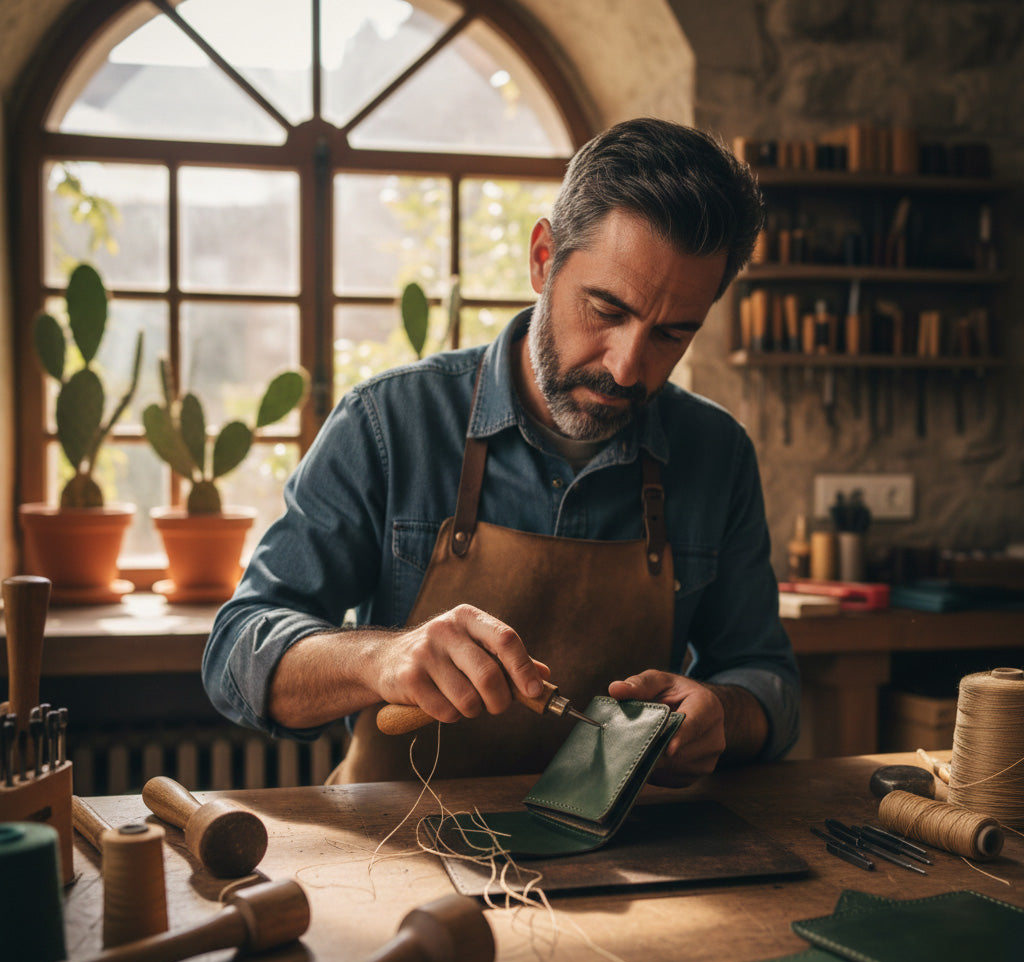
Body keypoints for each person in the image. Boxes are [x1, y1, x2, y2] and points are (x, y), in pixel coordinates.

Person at [202, 117, 799, 786]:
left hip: (628, 857)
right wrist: (380, 659)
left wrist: (725, 710)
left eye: (671, 335)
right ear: (544, 258)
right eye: (605, 310)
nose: (627, 369)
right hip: (401, 852)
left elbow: (768, 677)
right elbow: (235, 656)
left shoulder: (716, 454)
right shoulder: (390, 423)